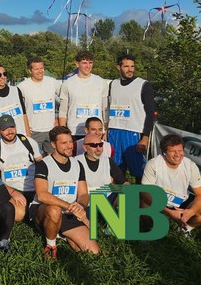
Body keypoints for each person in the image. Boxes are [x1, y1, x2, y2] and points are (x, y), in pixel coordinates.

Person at [29, 126, 100, 260]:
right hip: (45, 210)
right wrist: (69, 206)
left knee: (92, 252)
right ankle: (51, 246)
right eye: (63, 143)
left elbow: (84, 194)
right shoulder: (44, 164)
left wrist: (80, 206)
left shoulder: (77, 164)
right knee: (54, 210)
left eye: (70, 142)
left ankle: (61, 233)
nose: (69, 146)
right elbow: (42, 194)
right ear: (53, 145)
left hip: (69, 212)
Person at [141, 134, 201, 231]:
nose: (177, 155)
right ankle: (150, 229)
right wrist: (169, 212)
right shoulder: (153, 164)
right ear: (164, 152)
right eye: (172, 151)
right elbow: (145, 193)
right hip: (159, 200)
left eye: (180, 151)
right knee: (145, 210)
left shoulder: (190, 166)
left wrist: (190, 212)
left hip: (181, 200)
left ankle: (185, 229)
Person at [108, 54, 155, 184]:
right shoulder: (113, 84)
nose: (130, 69)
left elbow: (150, 114)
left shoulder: (143, 84)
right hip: (114, 131)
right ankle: (119, 202)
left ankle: (140, 202)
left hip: (133, 133)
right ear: (118, 67)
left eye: (132, 66)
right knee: (116, 171)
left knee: (139, 173)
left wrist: (145, 137)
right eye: (126, 66)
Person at [0, 114, 42, 221]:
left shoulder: (29, 142)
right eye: (5, 128)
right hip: (12, 190)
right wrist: (13, 192)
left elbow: (42, 165)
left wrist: (41, 188)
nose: (10, 131)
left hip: (34, 188)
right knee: (18, 215)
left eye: (12, 127)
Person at [58, 51, 108, 138]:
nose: (88, 66)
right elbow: (63, 111)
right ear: (77, 64)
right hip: (74, 131)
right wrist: (63, 132)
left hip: (96, 132)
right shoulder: (68, 83)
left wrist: (106, 130)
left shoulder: (101, 82)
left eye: (90, 63)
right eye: (84, 63)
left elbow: (105, 109)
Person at [18, 57, 61, 155]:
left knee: (52, 161)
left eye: (42, 68)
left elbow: (65, 99)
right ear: (29, 70)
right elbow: (19, 109)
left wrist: (59, 118)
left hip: (51, 130)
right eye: (36, 69)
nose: (40, 71)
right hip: (33, 131)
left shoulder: (52, 82)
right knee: (35, 161)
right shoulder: (22, 87)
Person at [0, 64, 30, 143]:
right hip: (5, 142)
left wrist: (29, 136)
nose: (3, 77)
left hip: (22, 138)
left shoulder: (16, 90)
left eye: (4, 74)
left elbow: (24, 114)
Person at [75, 133, 128, 200]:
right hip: (86, 203)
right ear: (85, 148)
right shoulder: (76, 162)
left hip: (108, 201)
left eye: (100, 145)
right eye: (93, 145)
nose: (98, 148)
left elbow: (124, 182)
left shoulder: (108, 161)